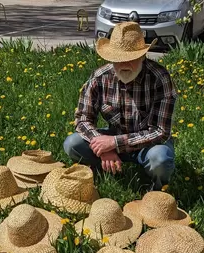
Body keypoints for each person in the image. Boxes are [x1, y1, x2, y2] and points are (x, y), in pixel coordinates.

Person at [63, 21, 178, 191]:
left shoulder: (160, 78)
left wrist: (114, 143)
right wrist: (103, 148)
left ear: (143, 56)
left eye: (130, 59)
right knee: (72, 143)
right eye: (118, 59)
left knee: (161, 159)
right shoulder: (99, 78)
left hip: (149, 145)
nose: (124, 65)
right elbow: (82, 119)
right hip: (112, 136)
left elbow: (160, 132)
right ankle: (103, 165)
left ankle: (157, 188)